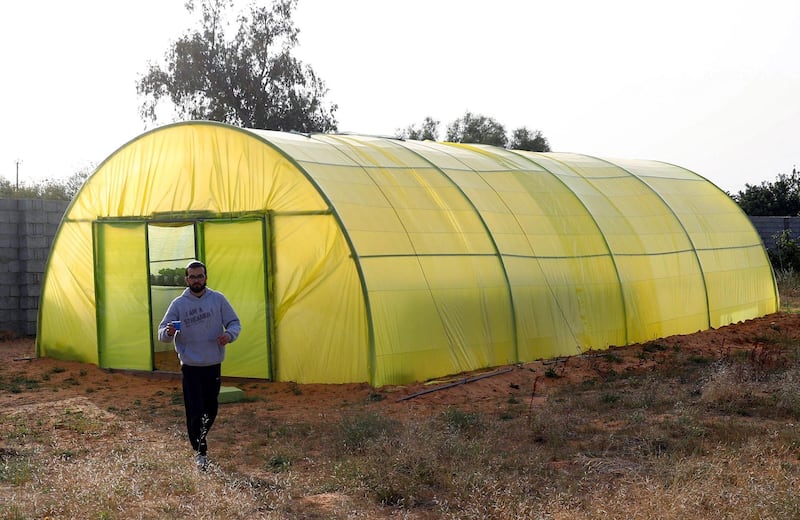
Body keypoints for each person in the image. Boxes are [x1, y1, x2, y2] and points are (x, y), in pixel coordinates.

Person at [158, 260, 241, 471]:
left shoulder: (218, 299)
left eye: (200, 276)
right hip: (191, 366)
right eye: (192, 277)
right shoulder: (178, 304)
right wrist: (168, 332)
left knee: (210, 410)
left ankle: (199, 441)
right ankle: (200, 451)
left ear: (206, 277)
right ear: (186, 279)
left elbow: (234, 322)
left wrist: (228, 335)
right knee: (195, 411)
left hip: (213, 364)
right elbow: (162, 335)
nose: (196, 280)